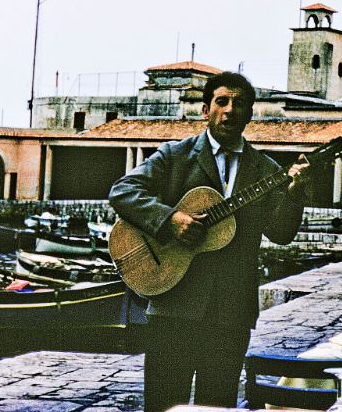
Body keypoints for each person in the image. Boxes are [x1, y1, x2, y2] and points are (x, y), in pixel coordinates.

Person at [109, 72, 311, 412]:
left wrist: (295, 192)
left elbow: (281, 233)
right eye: (222, 102)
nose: (230, 110)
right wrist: (171, 220)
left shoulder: (265, 169)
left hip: (231, 309)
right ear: (206, 109)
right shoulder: (176, 155)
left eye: (240, 104)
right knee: (162, 403)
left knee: (216, 405)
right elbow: (123, 191)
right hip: (172, 300)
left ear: (250, 114)